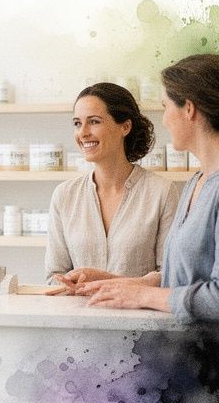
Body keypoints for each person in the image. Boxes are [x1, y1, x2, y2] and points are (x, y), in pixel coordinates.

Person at [80, 54, 219, 333]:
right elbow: (187, 276)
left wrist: (143, 296)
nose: (164, 119)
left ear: (189, 109)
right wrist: (121, 283)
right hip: (196, 351)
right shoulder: (198, 181)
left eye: (165, 107)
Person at [45, 82, 179, 287]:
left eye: (94, 121)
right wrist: (67, 286)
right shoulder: (64, 195)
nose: (83, 133)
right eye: (77, 123)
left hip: (139, 309)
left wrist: (107, 282)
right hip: (78, 308)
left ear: (125, 127)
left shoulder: (161, 192)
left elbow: (170, 276)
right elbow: (54, 277)